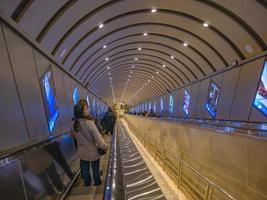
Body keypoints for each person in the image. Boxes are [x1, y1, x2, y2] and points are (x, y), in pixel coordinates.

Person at [72, 100, 107, 186]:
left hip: (82, 152)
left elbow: (73, 135)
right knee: (95, 169)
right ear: (82, 111)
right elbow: (98, 137)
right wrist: (104, 146)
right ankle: (97, 183)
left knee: (85, 170)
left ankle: (87, 184)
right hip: (92, 152)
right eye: (86, 108)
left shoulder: (73, 123)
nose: (88, 109)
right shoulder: (89, 123)